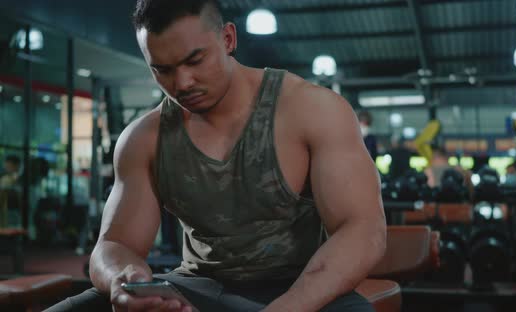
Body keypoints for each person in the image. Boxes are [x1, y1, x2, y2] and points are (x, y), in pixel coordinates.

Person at [48, 0, 385, 311]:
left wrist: (287, 308)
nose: (182, 82)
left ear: (227, 39)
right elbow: (113, 244)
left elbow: (362, 230)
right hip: (197, 289)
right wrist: (125, 281)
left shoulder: (312, 109)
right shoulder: (143, 139)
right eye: (162, 70)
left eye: (194, 60)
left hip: (303, 287)